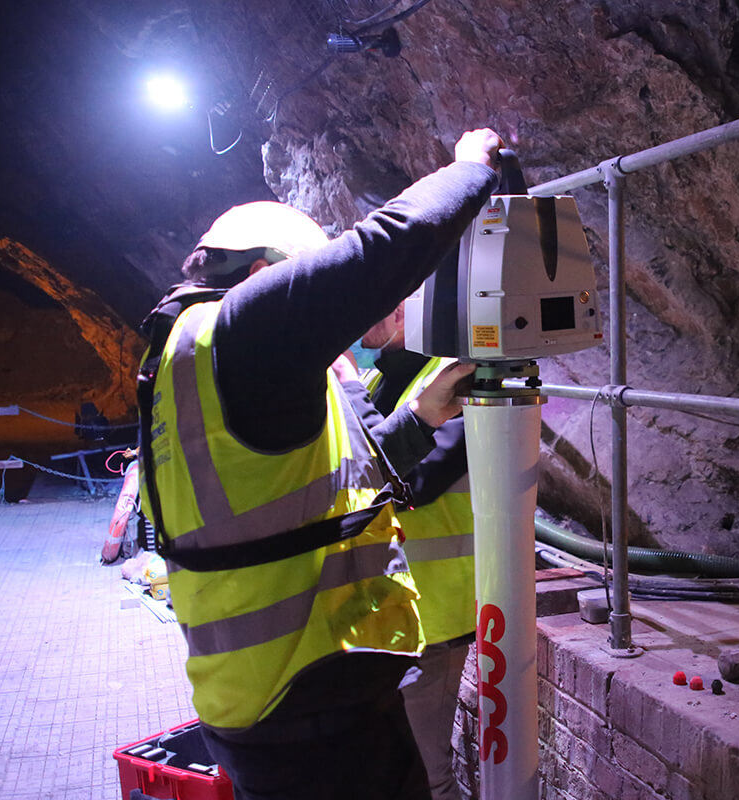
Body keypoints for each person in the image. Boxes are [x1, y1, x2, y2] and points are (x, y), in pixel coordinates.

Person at [137, 128, 503, 800]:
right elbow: (386, 247)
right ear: (260, 275)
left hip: (288, 693)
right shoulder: (241, 333)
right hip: (307, 702)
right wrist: (470, 167)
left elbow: (328, 490)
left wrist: (423, 416)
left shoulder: (190, 359)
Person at [349, 303, 475, 800]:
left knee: (429, 774)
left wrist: (347, 386)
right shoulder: (379, 380)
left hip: (435, 618)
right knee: (393, 768)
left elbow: (410, 484)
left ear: (402, 307)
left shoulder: (457, 380)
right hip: (387, 612)